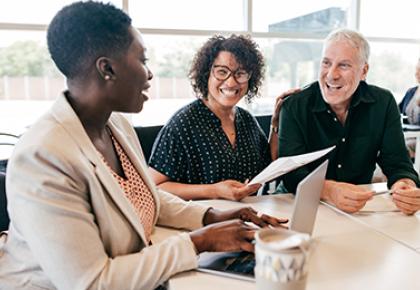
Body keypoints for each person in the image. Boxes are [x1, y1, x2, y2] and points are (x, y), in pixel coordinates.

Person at [0, 2, 288, 290]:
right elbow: (92, 283)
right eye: (142, 59)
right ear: (107, 68)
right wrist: (199, 242)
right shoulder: (43, 156)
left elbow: (144, 196)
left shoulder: (117, 126)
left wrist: (213, 217)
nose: (149, 74)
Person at [277, 28, 420, 215]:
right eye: (326, 63)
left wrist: (404, 186)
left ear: (364, 71)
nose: (331, 75)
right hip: (298, 203)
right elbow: (291, 173)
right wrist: (329, 190)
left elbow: (398, 164)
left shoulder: (383, 103)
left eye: (343, 65)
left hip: (358, 208)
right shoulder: (294, 106)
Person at [149, 34, 298, 201]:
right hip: (201, 221)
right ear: (206, 75)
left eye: (240, 73)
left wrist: (276, 124)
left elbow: (269, 165)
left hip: (247, 216)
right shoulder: (183, 123)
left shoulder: (246, 120)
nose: (231, 82)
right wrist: (214, 191)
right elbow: (155, 186)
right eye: (222, 72)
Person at [399, 58, 420, 125]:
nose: (416, 73)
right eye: (416, 69)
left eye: (419, 70)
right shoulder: (411, 91)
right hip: (409, 134)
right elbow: (396, 110)